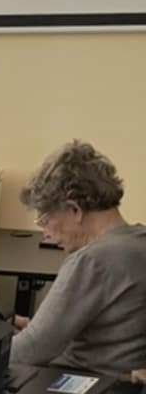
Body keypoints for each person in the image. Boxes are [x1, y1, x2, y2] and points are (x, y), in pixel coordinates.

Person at [10, 142, 146, 380]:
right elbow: (113, 328)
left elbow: (30, 351)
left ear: (75, 210)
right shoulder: (138, 241)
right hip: (123, 386)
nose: (45, 233)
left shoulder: (93, 260)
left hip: (82, 385)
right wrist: (37, 326)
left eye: (45, 219)